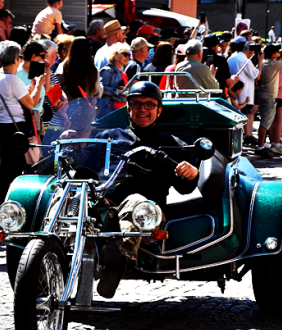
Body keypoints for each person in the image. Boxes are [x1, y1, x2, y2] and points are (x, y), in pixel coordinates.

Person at [95, 82, 199, 298]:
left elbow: (185, 187)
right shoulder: (108, 137)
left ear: (159, 110)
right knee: (69, 192)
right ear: (128, 108)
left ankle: (117, 261)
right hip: (105, 204)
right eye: (137, 104)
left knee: (136, 201)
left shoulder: (172, 145)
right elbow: (83, 165)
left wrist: (191, 174)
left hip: (147, 214)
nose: (143, 109)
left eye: (149, 105)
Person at [0, 41, 46, 199]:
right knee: (14, 168)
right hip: (15, 128)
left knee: (5, 166)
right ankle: (10, 201)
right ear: (16, 59)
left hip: (2, 125)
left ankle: (0, 201)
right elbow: (31, 103)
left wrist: (29, 91)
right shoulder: (12, 79)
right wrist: (39, 85)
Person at [227, 38, 259, 145]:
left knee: (242, 115)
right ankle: (247, 135)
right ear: (250, 51)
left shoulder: (231, 58)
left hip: (234, 91)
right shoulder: (245, 60)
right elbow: (255, 74)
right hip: (245, 92)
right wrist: (259, 61)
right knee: (246, 114)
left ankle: (247, 136)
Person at [16, 40, 48, 138]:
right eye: (42, 56)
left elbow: (45, 93)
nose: (44, 60)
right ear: (33, 56)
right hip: (26, 117)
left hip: (37, 116)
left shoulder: (37, 71)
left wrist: (47, 71)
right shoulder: (17, 73)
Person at [57, 37, 102, 101]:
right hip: (86, 107)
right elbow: (97, 92)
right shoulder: (93, 70)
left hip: (67, 107)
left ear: (71, 49)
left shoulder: (63, 66)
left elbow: (57, 86)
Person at [99, 42, 130, 107]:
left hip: (121, 108)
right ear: (116, 55)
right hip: (109, 109)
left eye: (128, 55)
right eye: (125, 54)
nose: (127, 57)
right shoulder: (107, 70)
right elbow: (101, 89)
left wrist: (126, 91)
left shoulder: (123, 73)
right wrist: (118, 91)